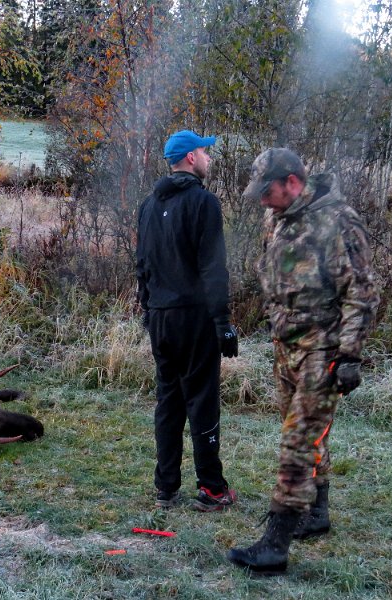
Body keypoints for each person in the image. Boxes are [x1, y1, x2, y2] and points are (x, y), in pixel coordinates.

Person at [228, 148, 379, 574]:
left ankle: (275, 545)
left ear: (293, 181)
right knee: (311, 437)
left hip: (323, 349)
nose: (262, 200)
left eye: (268, 191)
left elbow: (361, 293)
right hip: (286, 347)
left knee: (297, 443)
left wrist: (350, 354)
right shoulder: (277, 217)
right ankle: (317, 512)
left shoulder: (338, 221)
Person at [136, 130, 239, 512]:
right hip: (194, 318)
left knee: (169, 400)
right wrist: (222, 322)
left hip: (161, 319)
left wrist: (149, 311)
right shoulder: (203, 202)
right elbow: (214, 268)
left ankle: (165, 488)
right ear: (191, 158)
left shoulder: (148, 205)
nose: (209, 158)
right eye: (205, 152)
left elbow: (141, 265)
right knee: (202, 400)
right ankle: (212, 489)